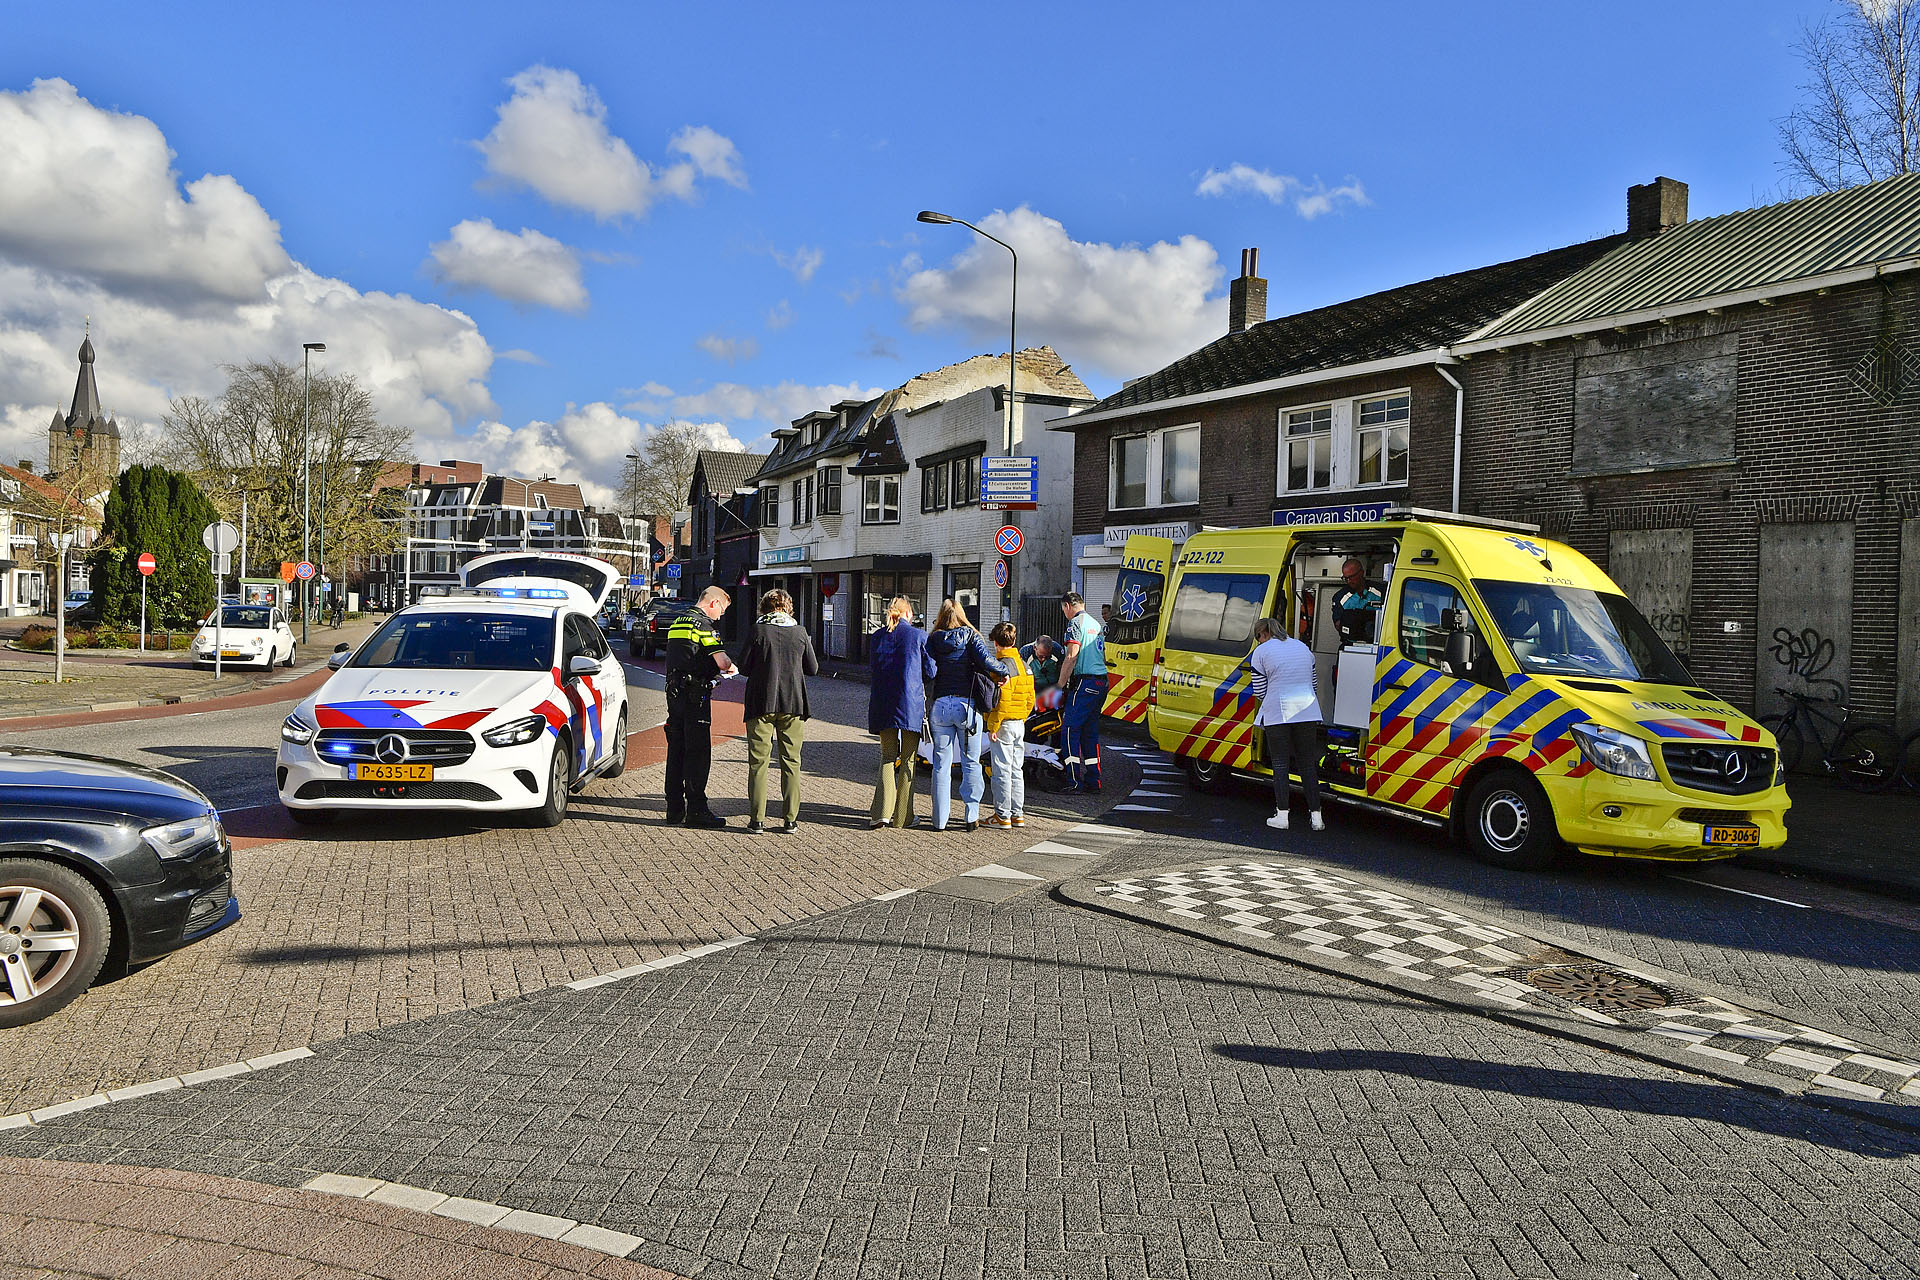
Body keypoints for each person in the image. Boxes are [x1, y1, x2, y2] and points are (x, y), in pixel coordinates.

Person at [740, 588, 818, 835]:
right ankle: (790, 820)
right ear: (788, 607)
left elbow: (743, 666)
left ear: (764, 606)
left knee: (758, 763)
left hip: (761, 702)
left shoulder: (757, 631)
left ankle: (757, 820)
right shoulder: (800, 632)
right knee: (791, 762)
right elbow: (813, 668)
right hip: (793, 703)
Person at [926, 598, 1007, 832]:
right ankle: (971, 816)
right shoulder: (971, 636)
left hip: (940, 705)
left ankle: (939, 820)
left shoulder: (933, 639)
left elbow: (928, 669)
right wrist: (1004, 671)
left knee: (941, 764)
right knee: (971, 761)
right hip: (966, 706)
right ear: (961, 615)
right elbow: (987, 661)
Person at [664, 586, 734, 828]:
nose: (721, 615)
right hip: (696, 697)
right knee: (697, 753)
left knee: (676, 751)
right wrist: (730, 668)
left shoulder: (678, 623)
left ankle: (674, 809)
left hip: (674, 694)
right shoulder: (704, 626)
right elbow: (722, 662)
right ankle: (696, 810)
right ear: (713, 603)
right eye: (722, 610)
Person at [1248, 616, 1325, 832]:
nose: (1259, 641)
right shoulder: (1302, 647)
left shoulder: (1261, 653)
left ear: (1263, 634)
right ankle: (1317, 817)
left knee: (1281, 764)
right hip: (1308, 711)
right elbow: (1314, 683)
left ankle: (1282, 816)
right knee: (1308, 764)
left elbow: (1260, 690)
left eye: (1258, 638)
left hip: (1279, 713)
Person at [868, 596, 936, 829]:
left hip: (882, 703)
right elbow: (931, 670)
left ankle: (881, 814)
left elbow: (872, 668)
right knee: (908, 759)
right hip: (910, 704)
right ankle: (903, 817)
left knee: (887, 756)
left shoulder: (876, 637)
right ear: (908, 614)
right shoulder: (918, 636)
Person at [982, 621, 1035, 829]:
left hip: (1003, 724)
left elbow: (1001, 700)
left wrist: (992, 725)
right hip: (1019, 723)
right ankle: (1017, 814)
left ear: (995, 643)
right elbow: (1031, 698)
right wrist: (1022, 716)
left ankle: (1002, 815)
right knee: (1016, 769)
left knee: (1001, 770)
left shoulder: (1001, 666)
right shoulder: (1024, 664)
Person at [1055, 591, 1107, 791]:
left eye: (1063, 610)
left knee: (1069, 730)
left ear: (1067, 606)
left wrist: (1059, 685)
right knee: (1090, 732)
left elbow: (1072, 656)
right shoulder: (1096, 624)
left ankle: (1073, 781)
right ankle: (1094, 781)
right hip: (1101, 683)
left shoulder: (1075, 624)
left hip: (1085, 683)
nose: (1065, 614)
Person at [1332, 559, 1384, 644]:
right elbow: (1338, 624)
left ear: (1361, 573)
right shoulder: (1339, 597)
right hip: (1349, 644)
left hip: (1377, 645)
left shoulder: (1381, 592)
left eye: (1351, 577)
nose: (1349, 581)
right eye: (1345, 578)